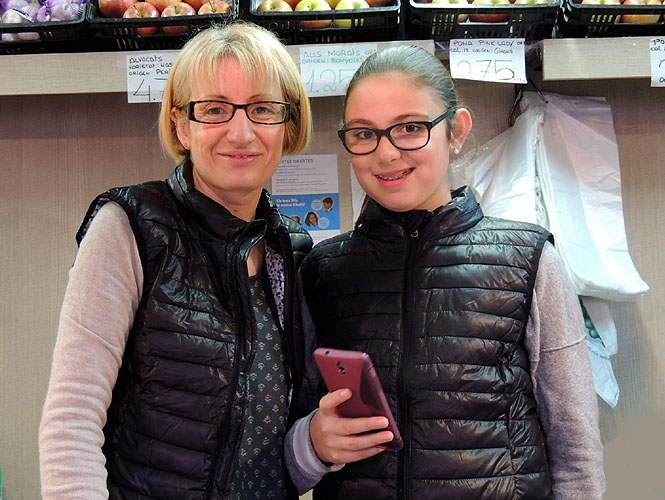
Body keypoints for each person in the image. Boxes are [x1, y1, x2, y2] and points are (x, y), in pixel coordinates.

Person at [285, 46, 605, 500]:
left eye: (410, 128)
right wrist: (313, 446)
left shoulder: (530, 259)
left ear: (455, 132)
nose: (386, 153)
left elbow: (576, 452)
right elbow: (286, 451)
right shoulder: (320, 271)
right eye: (364, 133)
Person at [38, 22, 314, 500]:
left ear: (288, 124)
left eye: (263, 108)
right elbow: (72, 421)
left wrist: (318, 449)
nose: (241, 132)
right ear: (181, 125)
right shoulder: (130, 227)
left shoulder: (290, 249)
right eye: (214, 109)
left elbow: (266, 454)